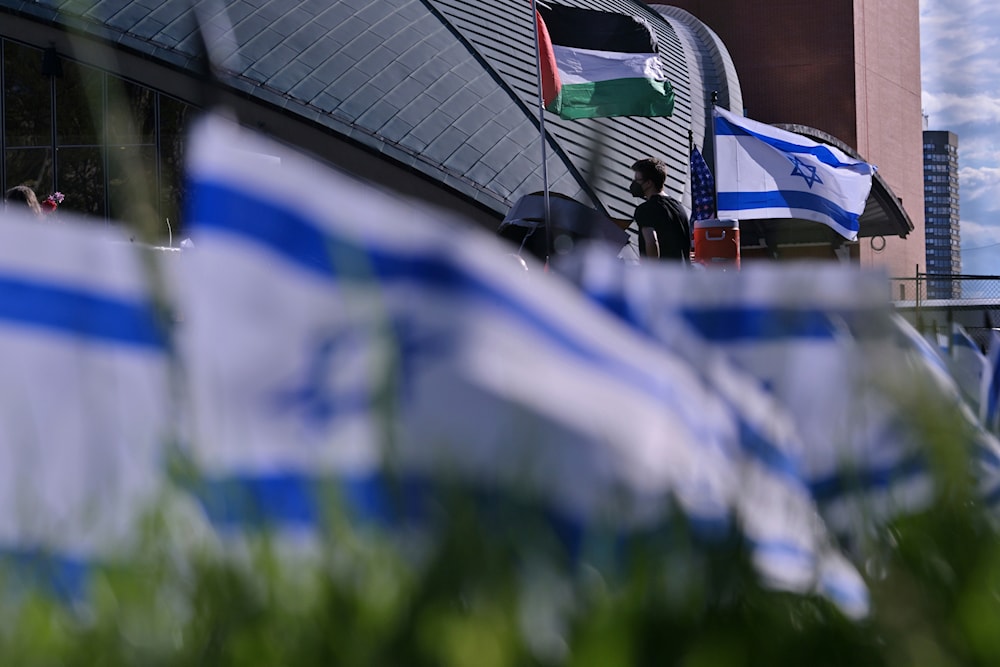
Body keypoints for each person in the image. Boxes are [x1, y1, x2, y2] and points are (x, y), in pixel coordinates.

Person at [628, 157, 690, 262]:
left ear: (649, 183)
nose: (634, 183)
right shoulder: (679, 208)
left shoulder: (645, 210)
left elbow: (651, 241)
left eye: (637, 180)